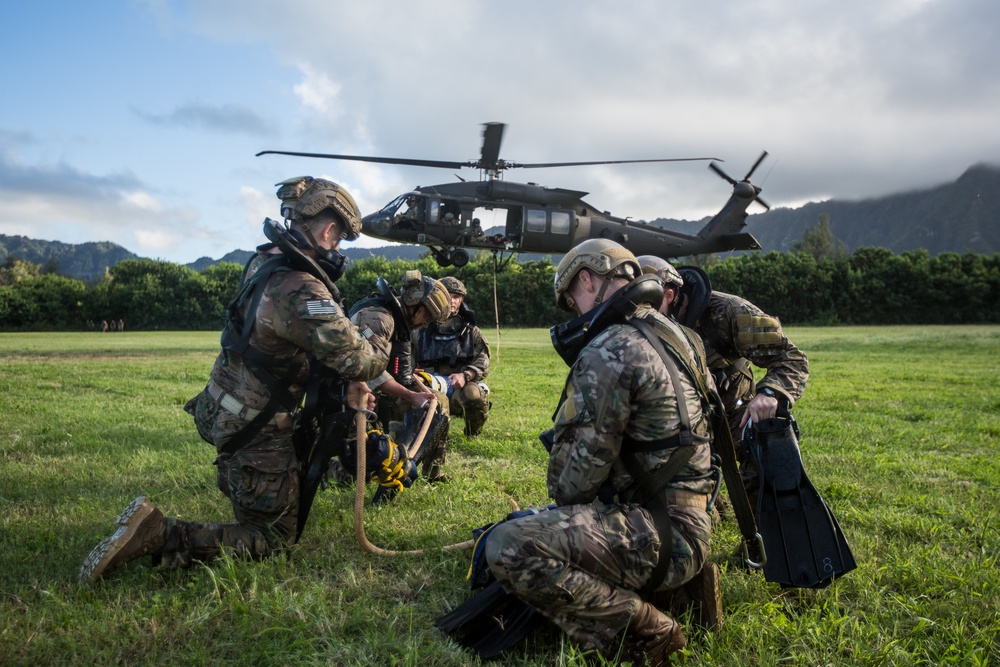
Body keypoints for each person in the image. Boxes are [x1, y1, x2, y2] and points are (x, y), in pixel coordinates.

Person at [79, 176, 392, 583]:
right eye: (339, 240)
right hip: (255, 428)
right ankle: (159, 534)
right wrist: (377, 330)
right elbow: (360, 361)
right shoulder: (300, 288)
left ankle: (245, 481)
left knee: (285, 481)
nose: (337, 250)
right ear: (329, 230)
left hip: (222, 406)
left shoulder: (264, 263)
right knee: (274, 538)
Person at [485, 239, 720, 666]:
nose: (575, 312)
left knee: (509, 544)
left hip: (663, 536)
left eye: (572, 299)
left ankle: (648, 627)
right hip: (697, 518)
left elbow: (574, 486)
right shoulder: (682, 337)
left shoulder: (611, 347)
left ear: (587, 279)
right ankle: (683, 592)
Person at [637, 255, 809, 509]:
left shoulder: (728, 311)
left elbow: (791, 358)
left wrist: (770, 394)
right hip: (680, 421)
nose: (637, 313)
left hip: (734, 413)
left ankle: (769, 532)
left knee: (766, 453)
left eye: (646, 302)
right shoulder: (639, 327)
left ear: (669, 296)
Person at [349, 271, 452, 481]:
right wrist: (411, 395)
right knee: (361, 465)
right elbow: (365, 370)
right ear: (416, 305)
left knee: (438, 403)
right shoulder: (378, 318)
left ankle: (430, 470)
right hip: (355, 396)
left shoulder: (398, 320)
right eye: (429, 316)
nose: (428, 323)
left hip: (379, 391)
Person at [413, 276, 492, 437]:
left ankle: (472, 434)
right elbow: (405, 361)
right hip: (426, 387)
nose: (451, 301)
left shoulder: (471, 332)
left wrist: (466, 375)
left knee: (474, 395)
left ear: (461, 300)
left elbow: (483, 361)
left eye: (456, 297)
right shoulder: (419, 329)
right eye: (447, 295)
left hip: (458, 389)